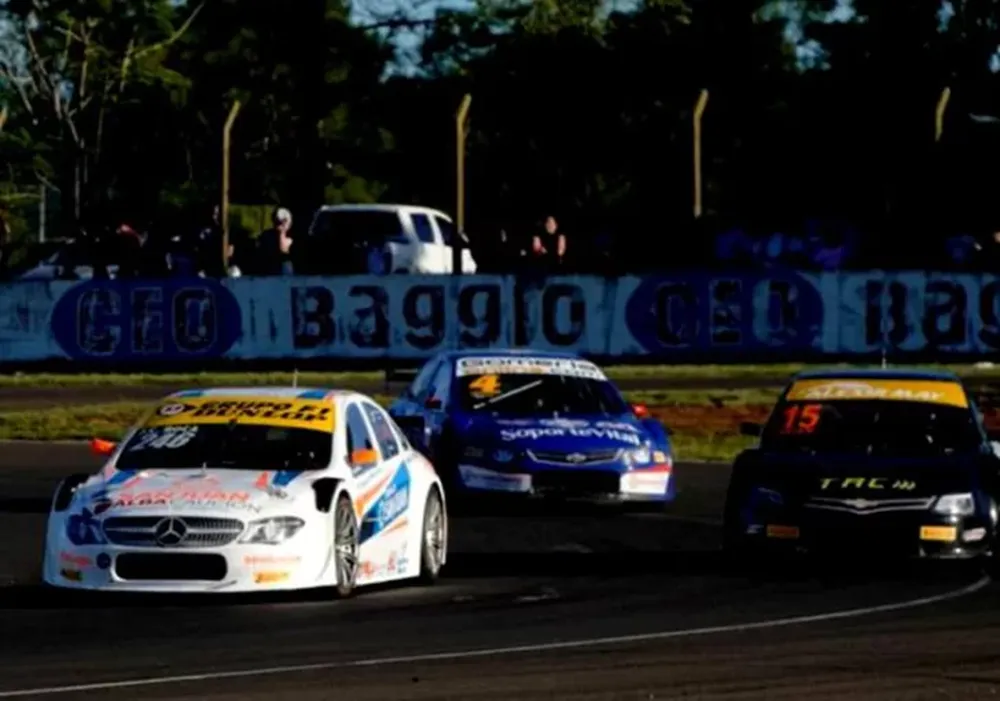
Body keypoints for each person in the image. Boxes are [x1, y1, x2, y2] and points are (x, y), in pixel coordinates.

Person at [258, 207, 295, 275]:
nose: (279, 225)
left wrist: (282, 233)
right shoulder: (267, 235)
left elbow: (284, 250)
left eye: (283, 222)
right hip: (268, 270)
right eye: (277, 222)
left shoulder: (291, 237)